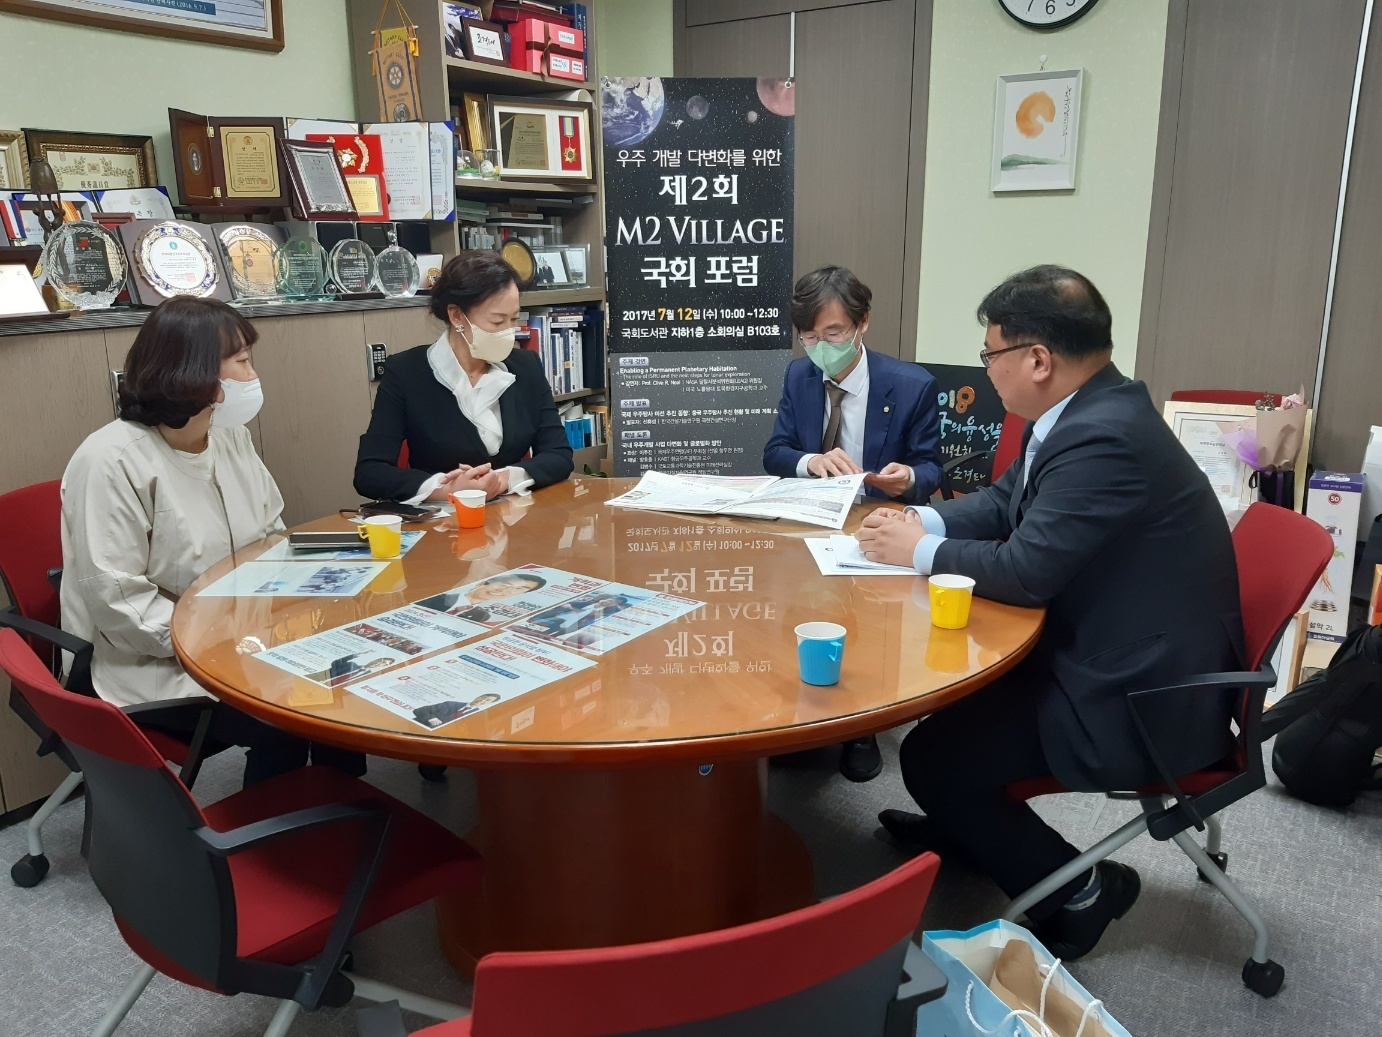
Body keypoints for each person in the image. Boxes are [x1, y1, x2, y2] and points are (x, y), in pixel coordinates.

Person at [855, 265, 1243, 959]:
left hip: (1141, 691)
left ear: (1037, 358)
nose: (987, 369)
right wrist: (918, 521)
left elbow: (1029, 570)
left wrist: (916, 551)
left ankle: (1083, 892)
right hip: (1114, 640)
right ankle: (973, 829)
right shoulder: (1085, 409)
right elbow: (1006, 505)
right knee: (945, 709)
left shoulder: (1104, 436)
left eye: (989, 355)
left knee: (936, 758)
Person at [60, 297, 365, 788]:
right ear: (194, 372)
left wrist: (315, 594)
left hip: (244, 633)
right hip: (158, 660)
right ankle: (277, 833)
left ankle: (346, 813)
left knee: (342, 672)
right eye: (242, 361)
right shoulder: (112, 461)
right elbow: (120, 605)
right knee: (287, 711)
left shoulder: (228, 436)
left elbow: (270, 537)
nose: (253, 374)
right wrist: (223, 644)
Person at [763, 265, 944, 783]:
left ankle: (860, 726)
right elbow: (775, 451)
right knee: (796, 611)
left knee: (867, 622)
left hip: (874, 518)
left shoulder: (911, 385)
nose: (820, 347)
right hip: (809, 520)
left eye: (834, 333)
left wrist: (907, 476)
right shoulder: (800, 375)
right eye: (809, 336)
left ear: (863, 324)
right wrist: (808, 462)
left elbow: (930, 469)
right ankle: (799, 717)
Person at [354, 251, 573, 505]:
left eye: (513, 319)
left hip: (513, 521)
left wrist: (503, 479)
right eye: (497, 321)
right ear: (457, 315)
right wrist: (445, 488)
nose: (508, 332)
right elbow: (370, 472)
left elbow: (559, 454)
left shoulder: (526, 366)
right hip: (444, 525)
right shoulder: (405, 372)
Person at [419, 571, 548, 622]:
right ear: (482, 583)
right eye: (505, 584)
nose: (505, 590)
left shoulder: (482, 616)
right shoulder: (434, 598)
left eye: (519, 589)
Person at [413, 692, 503, 729]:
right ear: (478, 697)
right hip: (420, 729)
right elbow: (419, 710)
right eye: (483, 697)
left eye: (487, 700)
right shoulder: (451, 704)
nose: (482, 701)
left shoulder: (478, 716)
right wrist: (431, 718)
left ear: (489, 703)